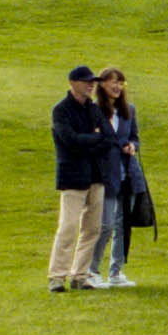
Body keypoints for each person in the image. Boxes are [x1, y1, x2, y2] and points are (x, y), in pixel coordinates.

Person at [48, 64, 110, 293]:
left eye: (92, 82)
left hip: (95, 175)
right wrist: (94, 139)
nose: (91, 85)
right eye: (86, 81)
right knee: (69, 226)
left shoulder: (94, 110)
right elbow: (69, 140)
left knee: (93, 228)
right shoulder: (61, 110)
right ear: (73, 83)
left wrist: (92, 139)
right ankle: (57, 276)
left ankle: (80, 275)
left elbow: (108, 138)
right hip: (73, 176)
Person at [93, 67, 146, 288]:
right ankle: (92, 269)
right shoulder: (94, 111)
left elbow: (135, 138)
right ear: (102, 84)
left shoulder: (128, 111)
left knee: (123, 224)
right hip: (106, 174)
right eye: (112, 81)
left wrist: (131, 146)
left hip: (128, 173)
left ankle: (116, 271)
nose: (116, 86)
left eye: (120, 82)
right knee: (105, 224)